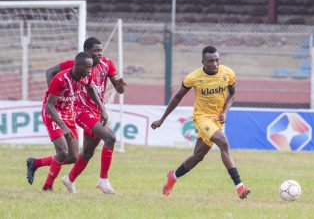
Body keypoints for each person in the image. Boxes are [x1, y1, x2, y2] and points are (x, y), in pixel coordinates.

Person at [26, 37, 127, 194]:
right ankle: (103, 180)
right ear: (86, 51)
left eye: (101, 50)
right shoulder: (75, 66)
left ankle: (65, 177)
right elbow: (51, 76)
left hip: (93, 112)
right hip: (80, 111)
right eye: (96, 50)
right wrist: (57, 92)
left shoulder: (104, 65)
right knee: (110, 138)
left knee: (85, 153)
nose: (100, 53)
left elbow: (111, 88)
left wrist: (118, 90)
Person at [151, 46, 251, 199]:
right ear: (203, 61)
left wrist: (224, 112)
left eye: (217, 60)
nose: (215, 64)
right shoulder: (194, 77)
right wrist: (162, 119)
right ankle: (240, 186)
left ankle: (173, 177)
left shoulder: (228, 73)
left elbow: (232, 95)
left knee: (198, 156)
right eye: (211, 61)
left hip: (217, 120)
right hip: (202, 117)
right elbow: (178, 97)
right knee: (223, 143)